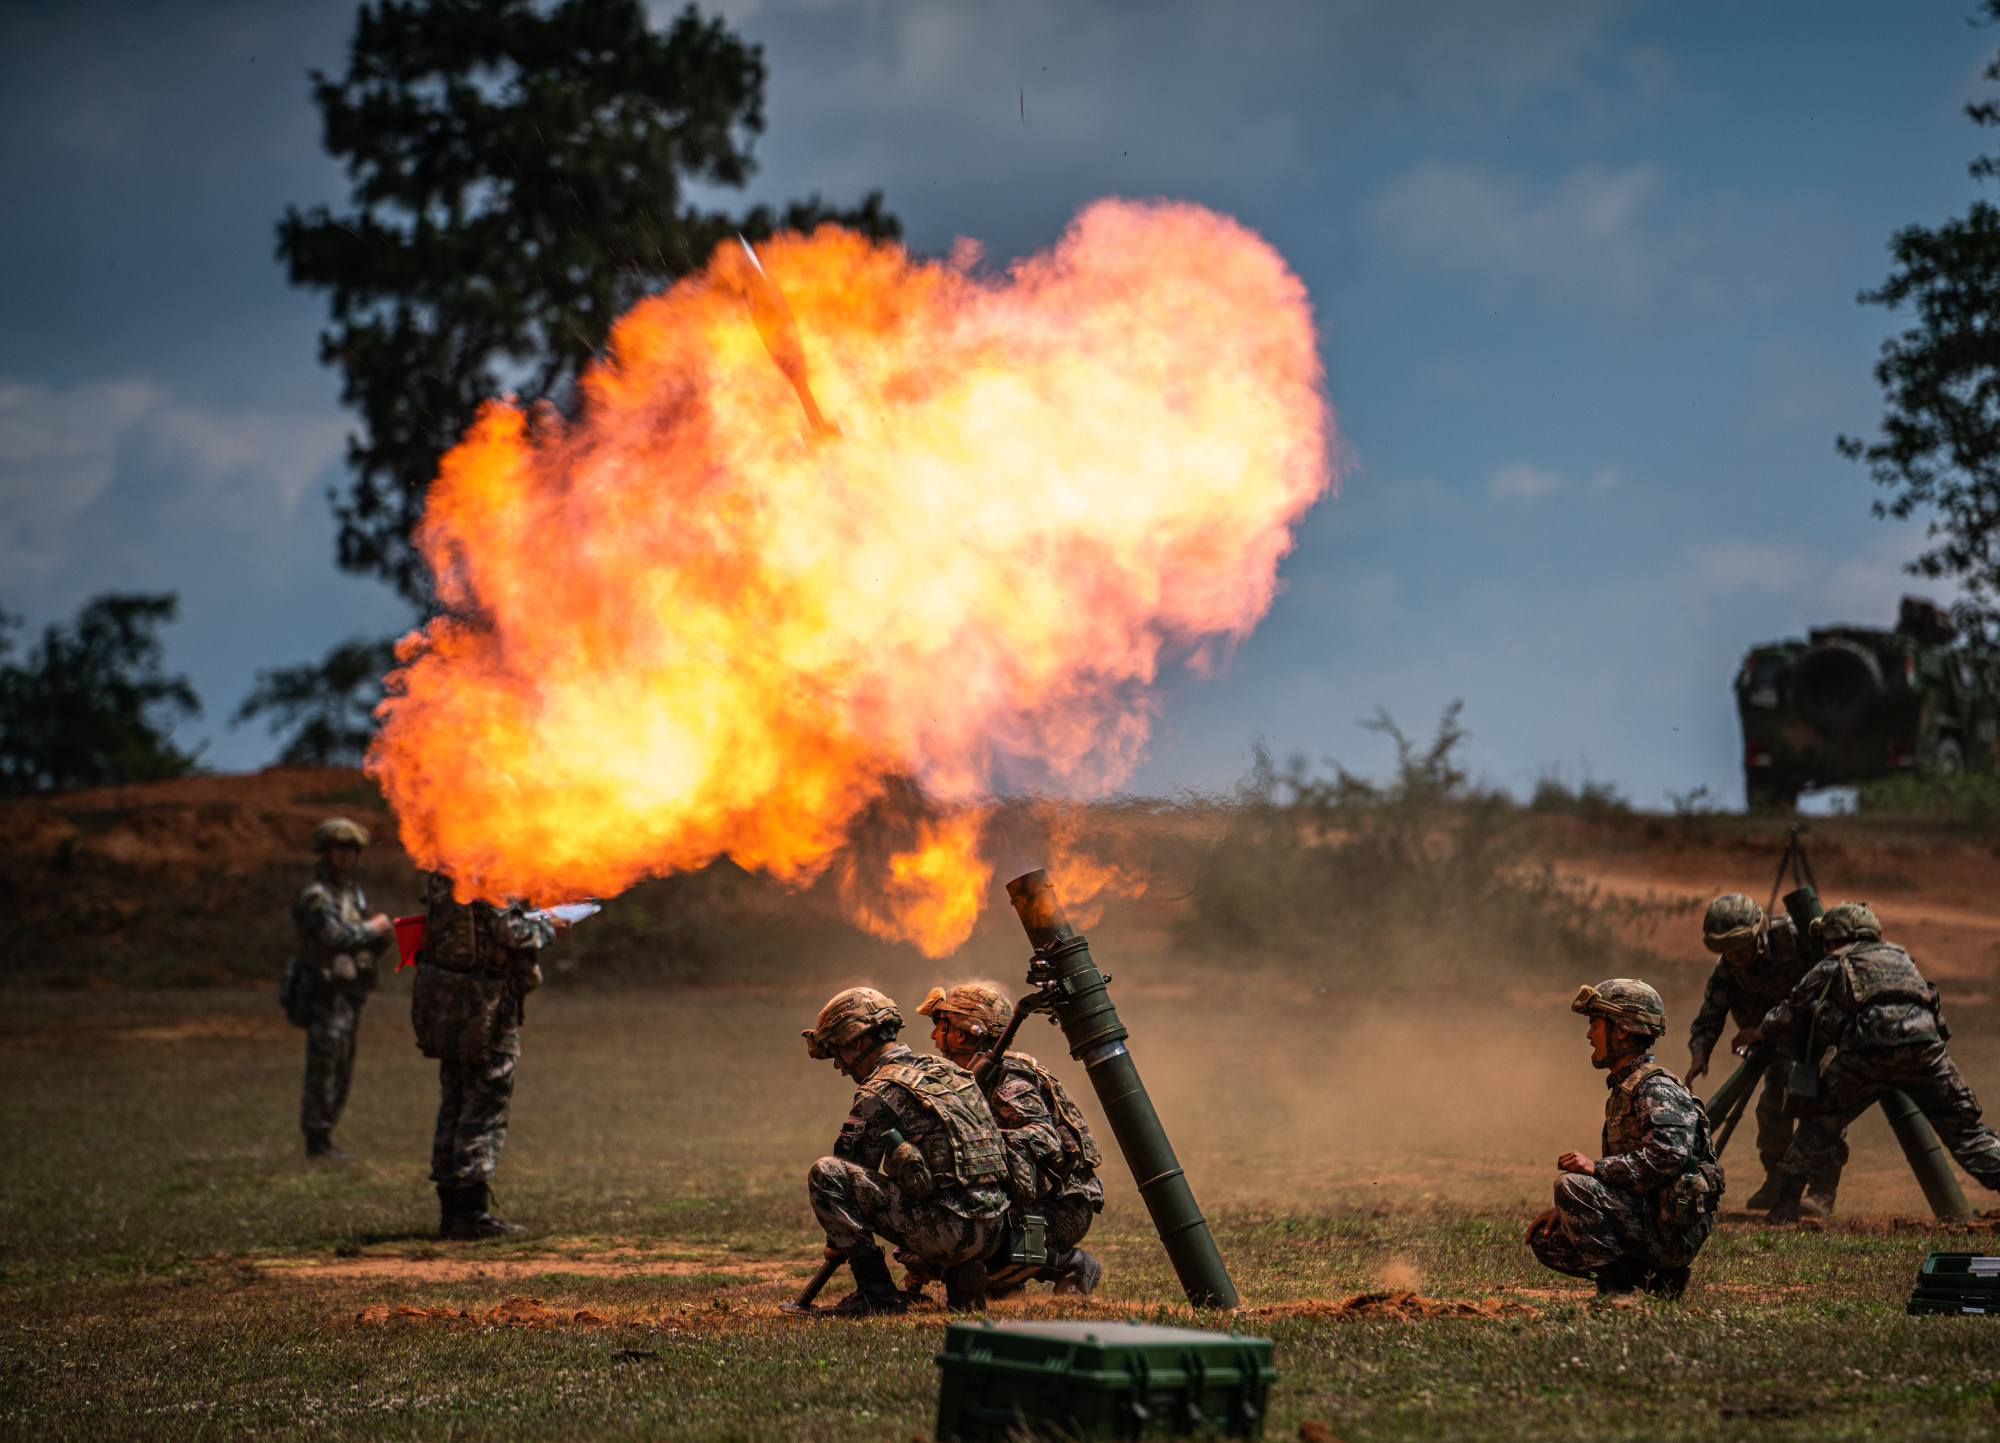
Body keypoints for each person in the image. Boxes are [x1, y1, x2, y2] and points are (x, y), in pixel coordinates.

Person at [1751, 902, 2000, 1223]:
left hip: (1865, 1053)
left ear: (1839, 937)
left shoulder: (1835, 962)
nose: (1824, 945)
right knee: (1968, 1132)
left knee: (1820, 1120)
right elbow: (1935, 1013)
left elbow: (1792, 1008)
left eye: (1826, 939)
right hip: (1926, 1052)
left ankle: (1785, 1204)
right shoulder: (1902, 958)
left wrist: (1763, 1029)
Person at [802, 987, 1010, 1314]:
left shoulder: (881, 1087)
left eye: (836, 1050)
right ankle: (962, 1283)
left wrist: (837, 1242)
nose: (839, 1065)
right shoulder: (953, 1072)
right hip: (996, 1232)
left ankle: (876, 1297)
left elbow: (848, 1168)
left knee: (826, 1173)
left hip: (949, 1234)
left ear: (856, 1041)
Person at [1526, 979, 1723, 1300]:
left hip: (1676, 1230)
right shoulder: (1626, 1088)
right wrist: (1568, 1208)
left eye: (1594, 1024)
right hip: (1657, 1217)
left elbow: (1668, 1157)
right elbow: (1631, 1178)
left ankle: (1617, 1296)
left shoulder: (1654, 1088)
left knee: (1570, 1184)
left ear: (1621, 1029)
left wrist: (1594, 1170)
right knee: (1549, 1241)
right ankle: (1661, 1281)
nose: (1589, 1035)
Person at [916, 982, 1105, 1296]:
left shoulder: (1009, 1081)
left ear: (961, 1033)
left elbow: (1044, 1138)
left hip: (1060, 1207)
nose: (934, 1036)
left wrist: (979, 1145)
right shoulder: (963, 1077)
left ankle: (1071, 1264)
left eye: (940, 1026)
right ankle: (1005, 1285)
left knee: (969, 1234)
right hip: (1026, 1200)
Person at [409, 869, 559, 1240]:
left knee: (455, 1100)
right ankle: (470, 1213)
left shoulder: (443, 869)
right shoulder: (490, 871)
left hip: (447, 999)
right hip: (486, 1005)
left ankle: (452, 1209)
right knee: (485, 1102)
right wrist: (549, 925)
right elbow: (512, 931)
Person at [1684, 893, 1841, 1211]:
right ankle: (1777, 1182)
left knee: (1822, 1105)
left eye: (1741, 944)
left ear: (1759, 930)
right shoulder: (1727, 968)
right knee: (1772, 1110)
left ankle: (1822, 1189)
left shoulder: (1795, 937)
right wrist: (1700, 1053)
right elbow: (1711, 1014)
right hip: (1777, 1043)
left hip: (1822, 1033)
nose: (1736, 954)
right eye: (1725, 948)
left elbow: (1834, 978)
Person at [287, 817, 393, 1161]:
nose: (347, 855)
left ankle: (326, 1135)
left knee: (342, 1065)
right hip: (325, 992)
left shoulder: (352, 894)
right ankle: (317, 1141)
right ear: (324, 852)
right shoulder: (316, 896)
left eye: (353, 849)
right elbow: (333, 936)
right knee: (325, 1065)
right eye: (340, 848)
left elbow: (365, 937)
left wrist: (380, 937)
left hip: (350, 992)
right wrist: (372, 928)